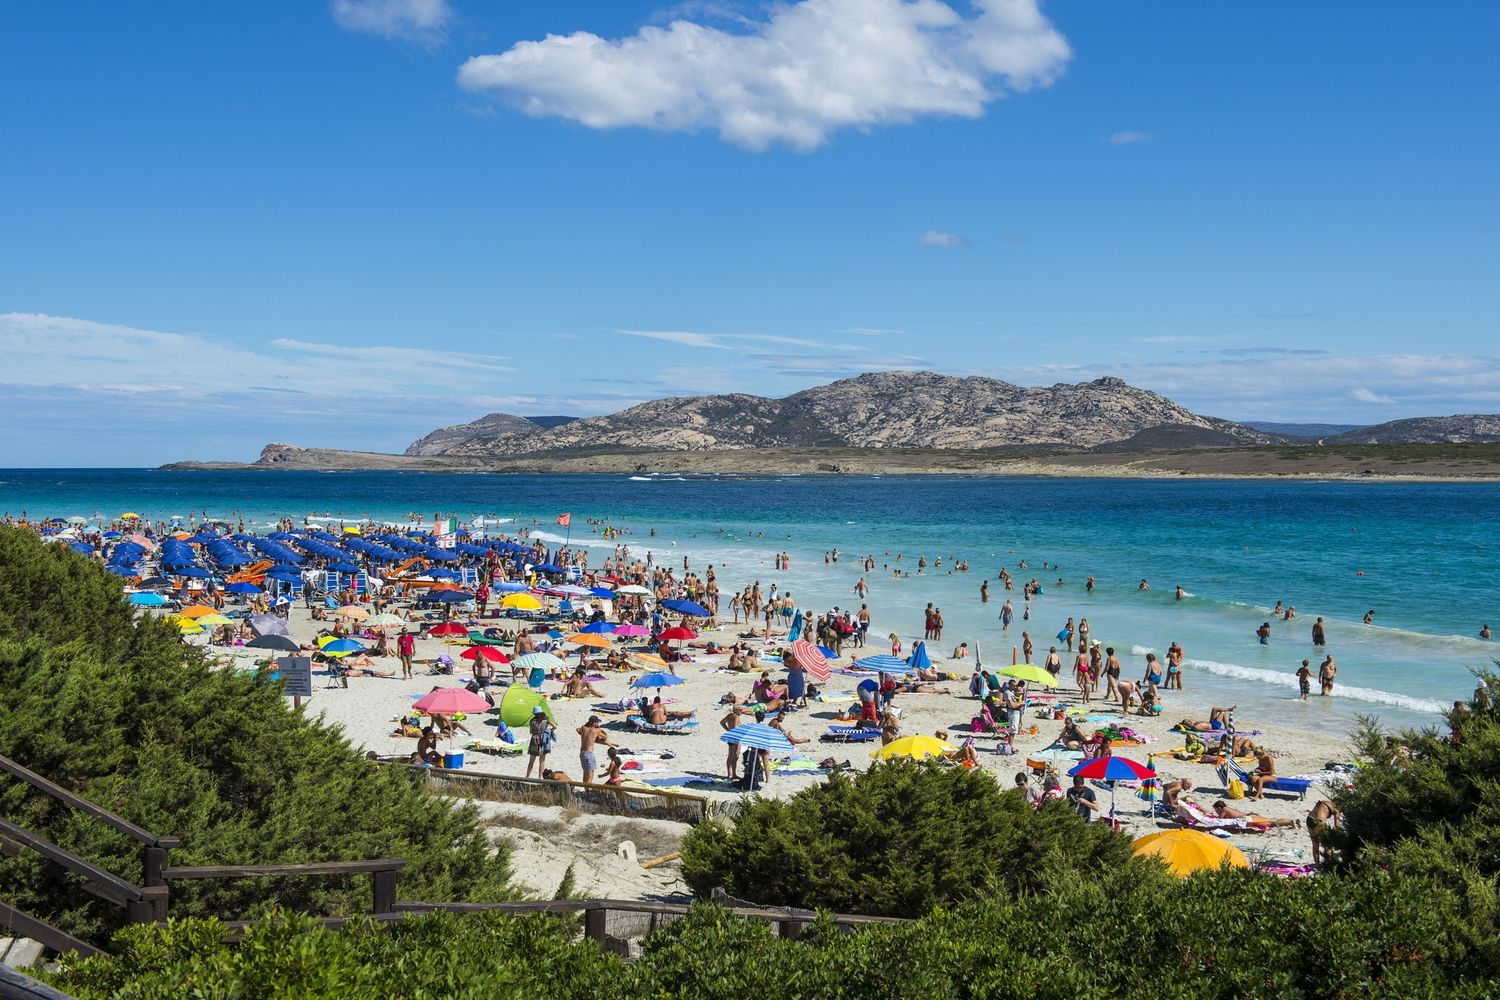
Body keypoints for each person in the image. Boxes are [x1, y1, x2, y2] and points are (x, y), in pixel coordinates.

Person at [576, 715, 611, 784]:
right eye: (597, 723)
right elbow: (606, 736)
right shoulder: (596, 730)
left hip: (582, 753)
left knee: (585, 774)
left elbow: (577, 729)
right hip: (589, 754)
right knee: (590, 776)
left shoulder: (583, 728)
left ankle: (586, 790)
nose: (598, 724)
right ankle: (588, 791)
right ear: (594, 723)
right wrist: (601, 729)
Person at [1306, 799, 1342, 865]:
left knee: (1315, 845)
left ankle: (1317, 866)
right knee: (1327, 844)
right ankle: (1328, 864)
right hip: (1319, 823)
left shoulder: (1325, 801)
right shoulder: (1337, 809)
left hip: (1309, 819)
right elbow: (1337, 825)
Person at [1213, 801, 1295, 828]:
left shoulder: (1224, 809)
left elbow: (1219, 820)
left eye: (1216, 810)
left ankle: (1290, 821)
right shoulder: (1228, 808)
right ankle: (1290, 821)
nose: (1216, 811)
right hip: (1250, 816)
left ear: (1219, 808)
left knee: (1271, 823)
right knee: (1271, 820)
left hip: (1248, 818)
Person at [524, 706, 553, 779]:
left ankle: (527, 776)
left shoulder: (532, 721)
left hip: (534, 740)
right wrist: (548, 731)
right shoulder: (546, 720)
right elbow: (555, 726)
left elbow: (530, 732)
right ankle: (540, 778)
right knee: (542, 761)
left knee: (531, 761)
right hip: (543, 740)